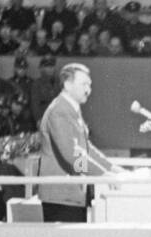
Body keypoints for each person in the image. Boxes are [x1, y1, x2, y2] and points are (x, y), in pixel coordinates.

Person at [36, 62, 119, 222]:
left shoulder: (70, 108)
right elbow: (72, 154)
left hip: (71, 194)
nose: (88, 89)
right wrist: (103, 174)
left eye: (90, 85)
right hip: (61, 196)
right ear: (67, 84)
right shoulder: (59, 111)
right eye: (84, 84)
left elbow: (86, 148)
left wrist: (111, 168)